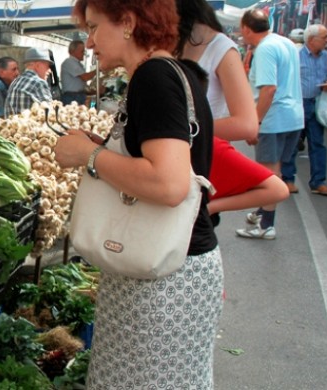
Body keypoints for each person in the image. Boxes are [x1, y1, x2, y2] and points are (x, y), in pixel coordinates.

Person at [54, 0, 223, 387]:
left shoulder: (154, 78)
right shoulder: (174, 75)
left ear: (128, 22)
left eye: (94, 28)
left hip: (163, 281)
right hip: (168, 270)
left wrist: (89, 154)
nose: (90, 43)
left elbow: (169, 183)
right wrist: (107, 149)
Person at [174, 0, 289, 223]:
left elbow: (247, 124)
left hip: (199, 160)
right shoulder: (172, 42)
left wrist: (178, 129)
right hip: (172, 160)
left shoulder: (221, 47)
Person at [235, 9, 304, 240]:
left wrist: (256, 121)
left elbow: (268, 89)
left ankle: (266, 224)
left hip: (274, 118)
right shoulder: (285, 42)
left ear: (246, 28)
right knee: (276, 168)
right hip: (293, 115)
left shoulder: (264, 49)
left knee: (268, 172)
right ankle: (263, 211)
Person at [281, 24, 327, 196]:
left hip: (317, 102)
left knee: (318, 143)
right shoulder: (296, 56)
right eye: (325, 37)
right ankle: (288, 179)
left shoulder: (325, 56)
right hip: (299, 103)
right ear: (312, 40)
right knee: (292, 143)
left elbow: (326, 75)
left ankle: (318, 182)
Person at [4, 47, 54, 116]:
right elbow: (51, 115)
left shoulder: (15, 82)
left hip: (12, 125)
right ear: (38, 65)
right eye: (47, 66)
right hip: (31, 126)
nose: (49, 70)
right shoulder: (39, 83)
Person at [60, 40, 96, 105]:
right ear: (73, 51)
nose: (84, 54)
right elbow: (85, 77)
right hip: (72, 97)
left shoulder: (77, 64)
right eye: (82, 51)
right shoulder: (69, 62)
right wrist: (99, 70)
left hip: (78, 95)